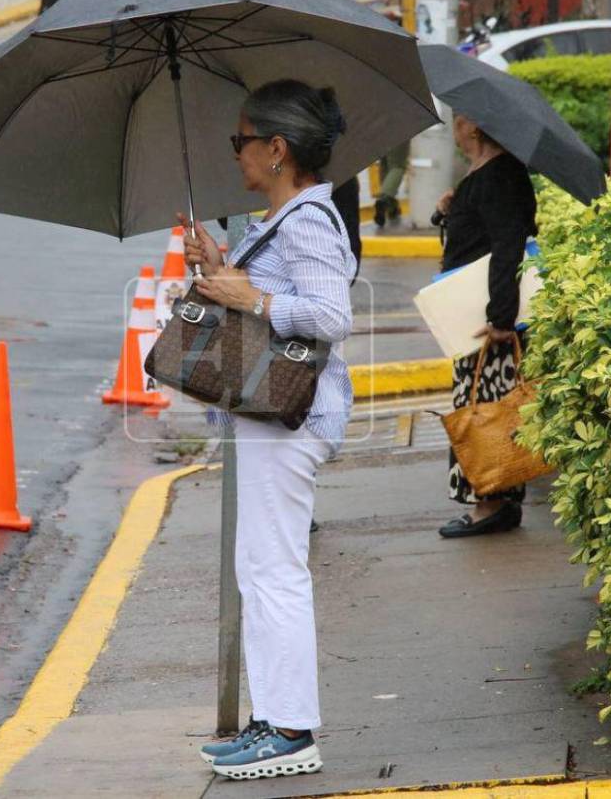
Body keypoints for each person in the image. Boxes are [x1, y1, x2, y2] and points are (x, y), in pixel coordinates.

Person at [182, 80, 355, 781]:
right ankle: (275, 717)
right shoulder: (286, 218)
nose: (237, 154)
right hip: (270, 420)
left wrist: (248, 292)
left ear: (277, 149)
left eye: (242, 141)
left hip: (290, 420)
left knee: (274, 572)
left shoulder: (308, 219)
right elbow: (272, 302)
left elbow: (330, 314)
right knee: (261, 568)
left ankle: (290, 731)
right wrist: (223, 272)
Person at [432, 114, 536, 538]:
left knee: (485, 408)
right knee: (487, 403)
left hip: (488, 317)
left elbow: (507, 245)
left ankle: (489, 503)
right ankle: (498, 497)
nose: (453, 128)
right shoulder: (483, 174)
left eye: (457, 120)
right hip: (472, 310)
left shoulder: (501, 174)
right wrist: (448, 211)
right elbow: (473, 234)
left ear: (474, 127)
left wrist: (500, 318)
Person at [372, 141, 408, 227]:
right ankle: (385, 199)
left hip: (380, 132)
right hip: (396, 131)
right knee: (398, 165)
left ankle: (392, 207)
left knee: (385, 165)